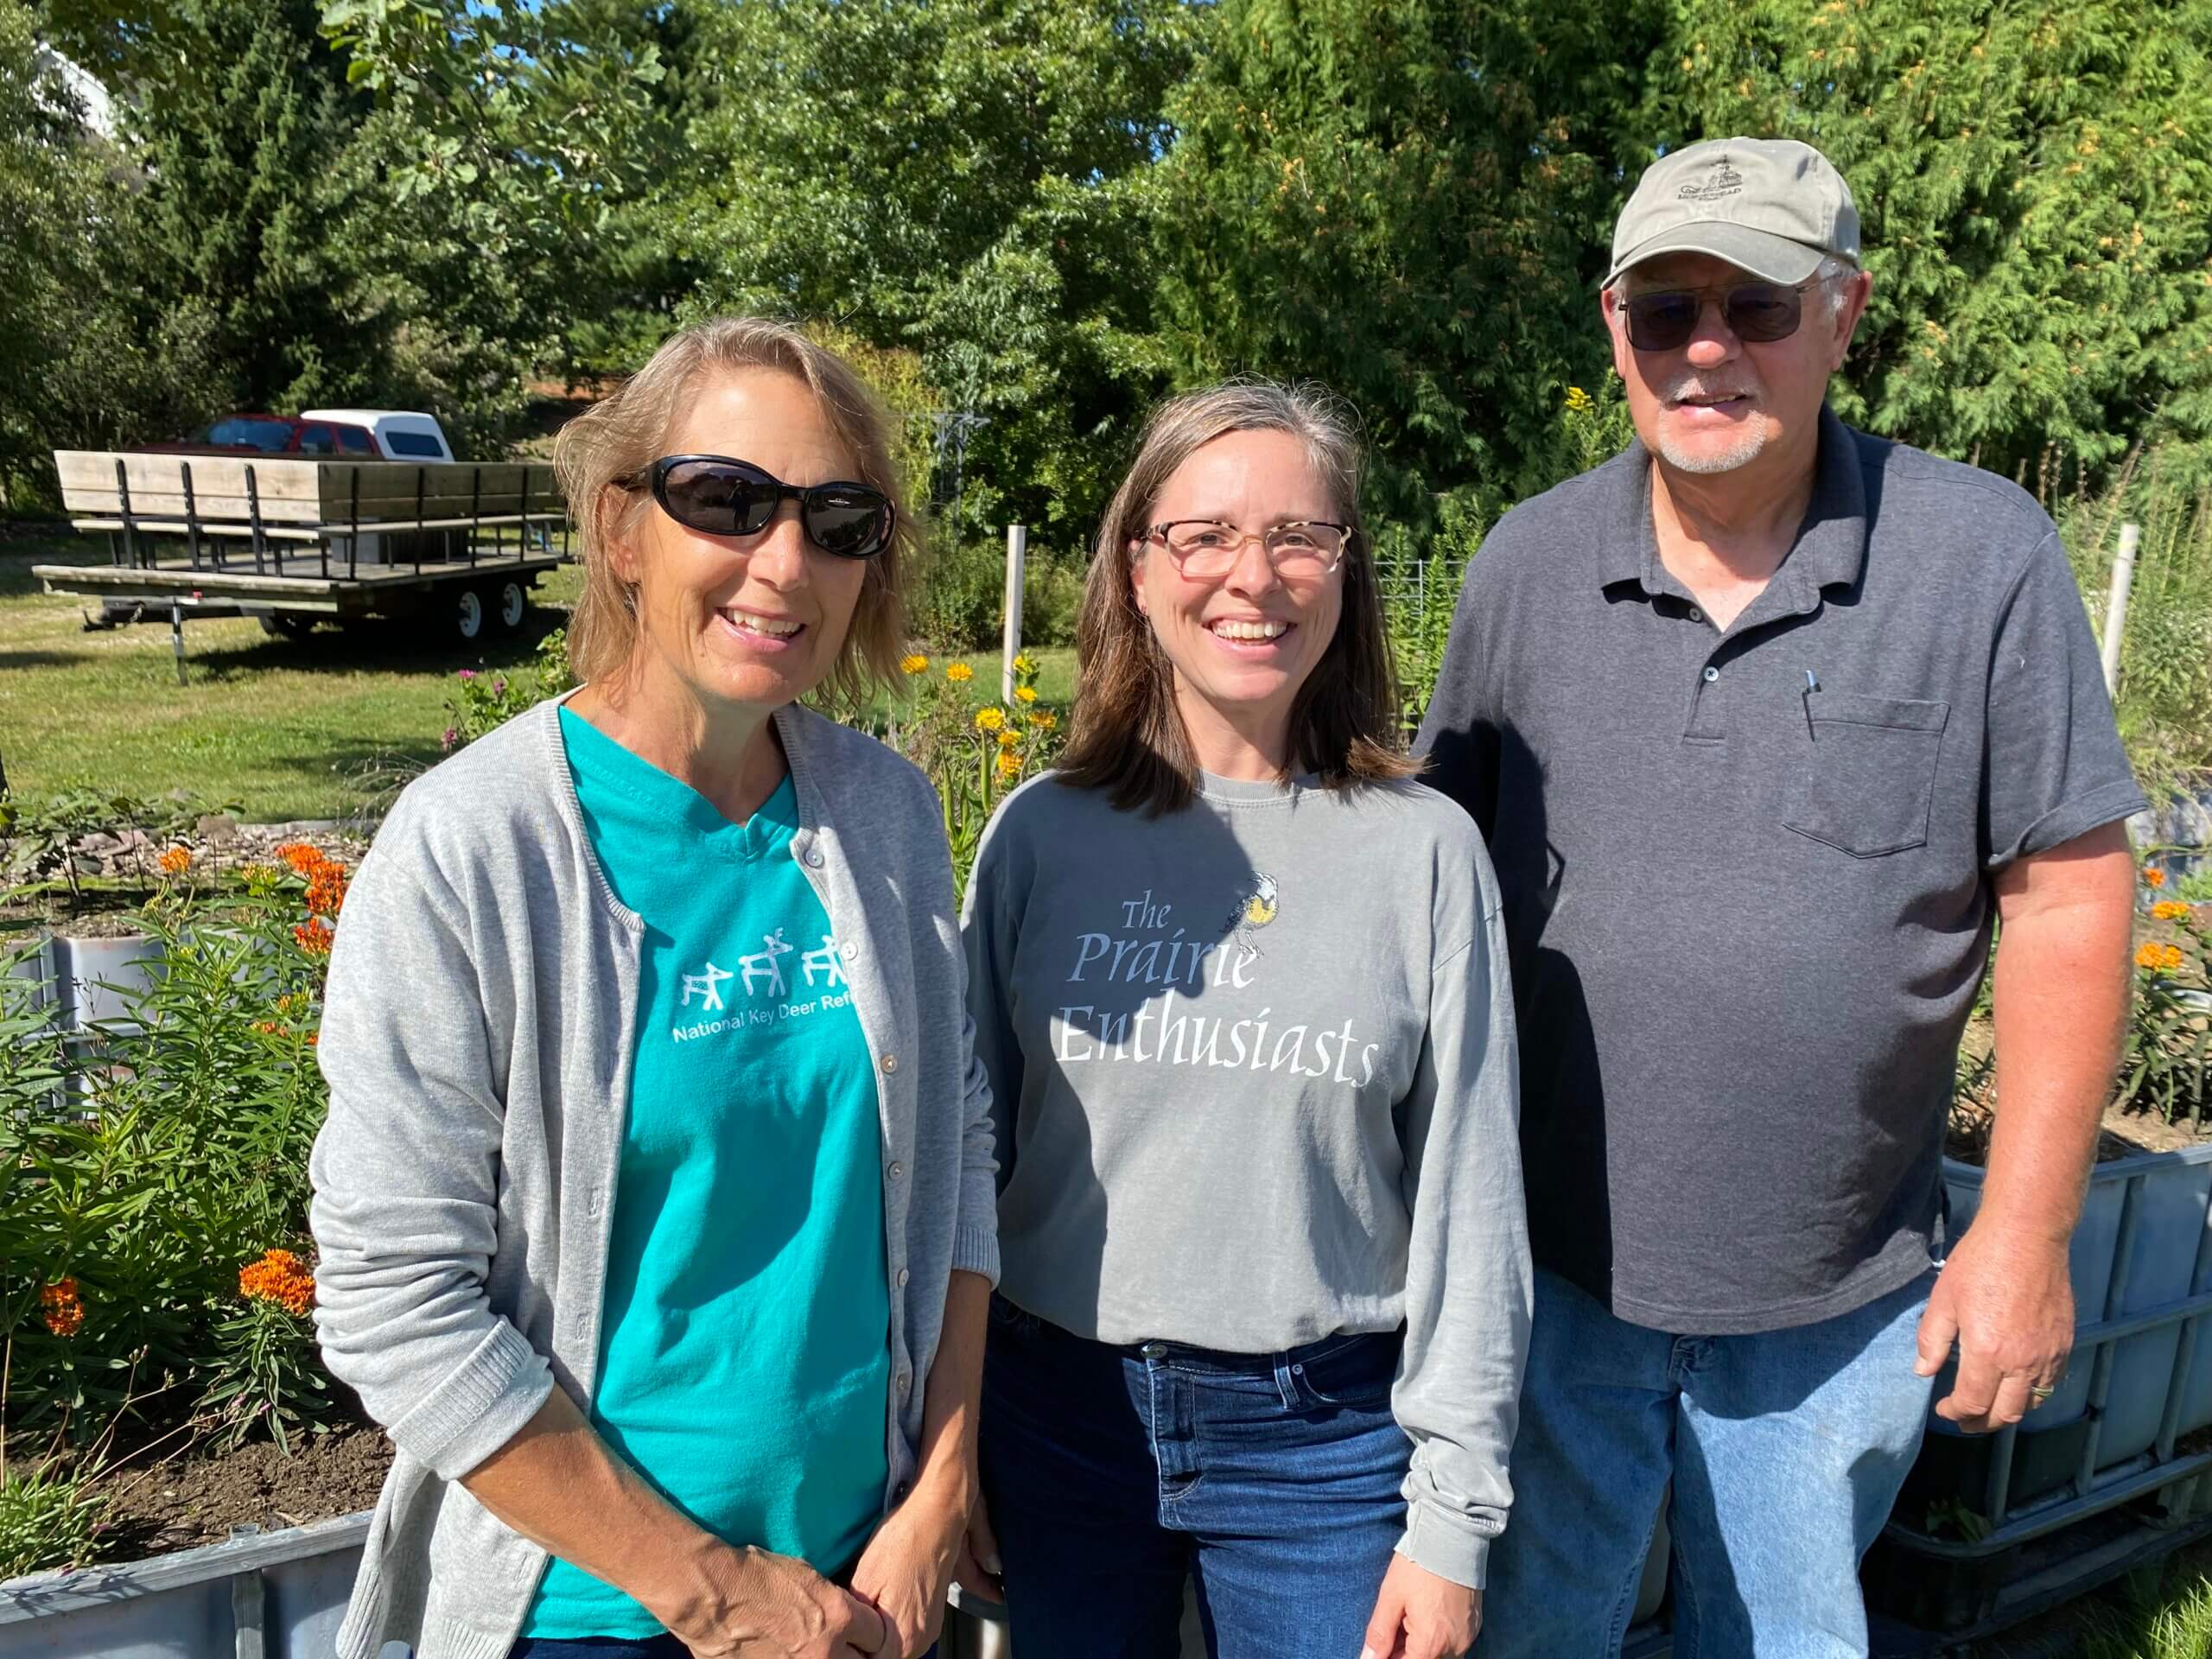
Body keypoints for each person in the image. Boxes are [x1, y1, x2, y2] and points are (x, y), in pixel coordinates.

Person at [1416, 137, 2145, 1656]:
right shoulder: (1528, 567)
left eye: (1754, 305)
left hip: (1834, 1302)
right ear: (1612, 324)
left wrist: (2022, 1234)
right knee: (1538, 1631)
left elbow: (2070, 895)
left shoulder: (1979, 558)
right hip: (1551, 1287)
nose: (1705, 347)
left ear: (1844, 315)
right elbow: (1434, 892)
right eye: (1664, 306)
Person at [308, 317, 1000, 1659]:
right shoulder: (477, 848)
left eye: (837, 517)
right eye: (725, 501)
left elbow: (963, 1147)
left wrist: (942, 1485)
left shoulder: (885, 815)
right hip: (596, 1611)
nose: (784, 562)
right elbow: (396, 1301)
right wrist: (714, 1592)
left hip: (862, 1591)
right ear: (624, 532)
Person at [962, 380, 1529, 1659]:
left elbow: (1473, 1205)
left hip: (1325, 1452)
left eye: (1296, 537)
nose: (1252, 577)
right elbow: (959, 1171)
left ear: (1344, 570)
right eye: (1205, 535)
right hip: (1058, 1418)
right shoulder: (1039, 836)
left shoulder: (1423, 853)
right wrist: (947, 1443)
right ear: (1137, 568)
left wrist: (1452, 1524)